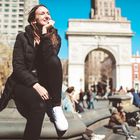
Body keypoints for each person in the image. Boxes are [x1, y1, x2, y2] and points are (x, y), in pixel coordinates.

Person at [1, 4, 68, 140]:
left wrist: (44, 34)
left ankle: (56, 107)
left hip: (44, 83)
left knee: (55, 61)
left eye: (48, 13)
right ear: (33, 20)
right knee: (39, 105)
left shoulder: (55, 39)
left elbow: (49, 62)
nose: (47, 15)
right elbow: (18, 67)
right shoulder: (22, 38)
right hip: (21, 83)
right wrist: (36, 85)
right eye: (42, 13)